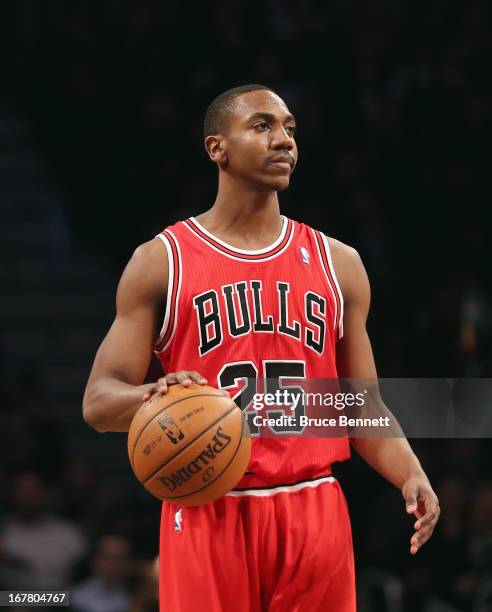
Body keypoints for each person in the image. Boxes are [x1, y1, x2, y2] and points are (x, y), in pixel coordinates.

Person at [83, 84, 440, 611]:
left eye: (290, 129)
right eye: (262, 125)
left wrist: (410, 472)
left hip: (313, 506)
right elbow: (98, 401)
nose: (283, 141)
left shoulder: (338, 263)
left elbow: (360, 403)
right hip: (208, 504)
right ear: (216, 148)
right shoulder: (162, 261)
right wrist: (156, 396)